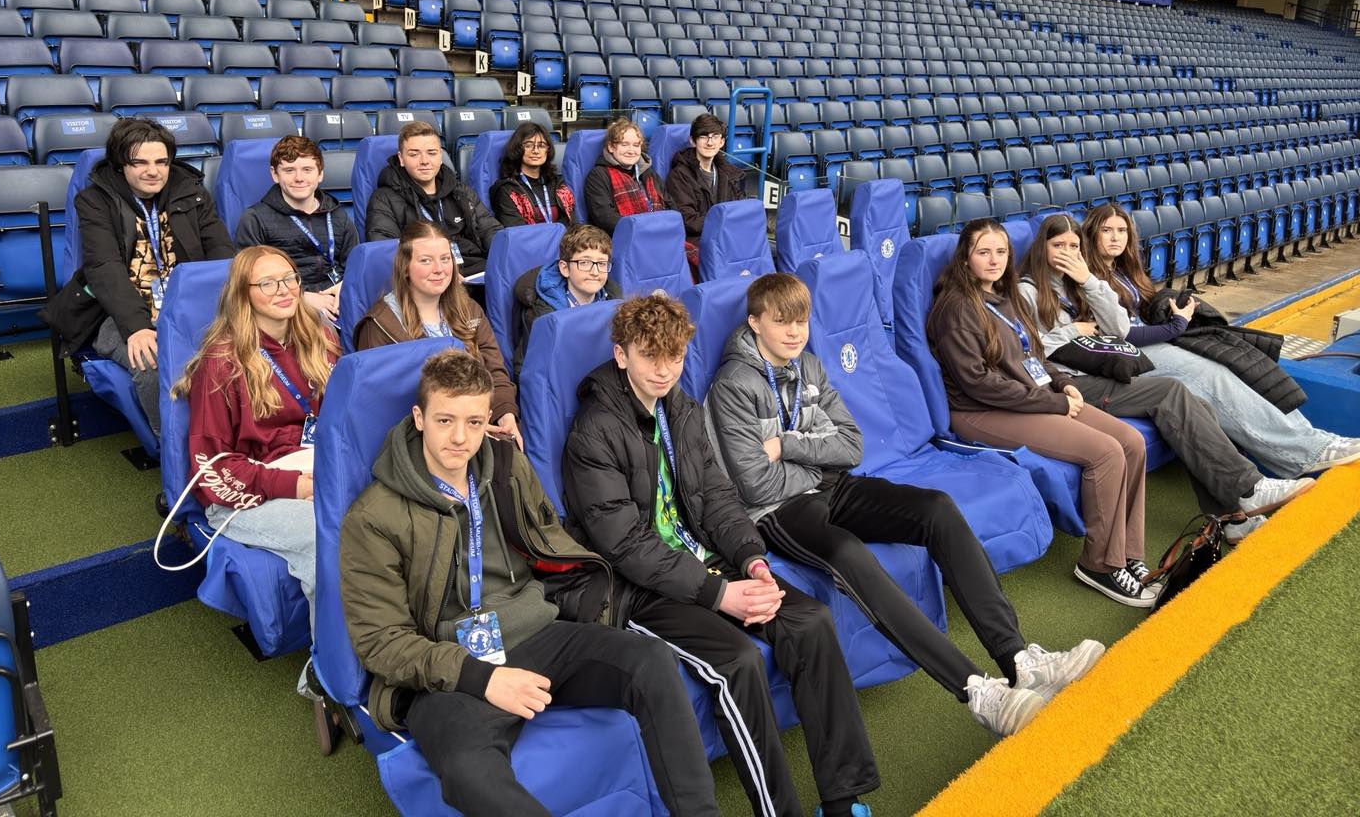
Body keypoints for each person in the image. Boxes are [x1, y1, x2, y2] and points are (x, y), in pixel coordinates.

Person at [706, 272, 1104, 736]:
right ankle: (977, 689)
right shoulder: (733, 384)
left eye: (802, 321)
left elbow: (851, 446)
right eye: (781, 322)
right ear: (755, 323)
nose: (795, 332)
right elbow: (755, 484)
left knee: (936, 507)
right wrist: (816, 451)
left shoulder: (808, 366)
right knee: (849, 553)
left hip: (832, 486)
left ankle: (1017, 658)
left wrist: (788, 443)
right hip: (779, 511)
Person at [340, 349, 720, 817]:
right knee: (468, 770)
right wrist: (483, 679)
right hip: (449, 668)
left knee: (651, 662)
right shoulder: (373, 516)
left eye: (475, 423)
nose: (460, 438)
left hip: (536, 631)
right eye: (445, 421)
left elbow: (549, 543)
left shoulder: (505, 466)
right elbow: (381, 644)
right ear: (419, 418)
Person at [564, 293, 881, 817]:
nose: (666, 371)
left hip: (708, 560)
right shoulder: (594, 430)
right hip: (639, 590)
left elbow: (718, 498)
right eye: (651, 357)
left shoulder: (682, 409)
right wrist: (720, 595)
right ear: (622, 356)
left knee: (810, 621)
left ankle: (842, 801)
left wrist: (752, 560)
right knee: (736, 663)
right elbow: (623, 544)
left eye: (676, 357)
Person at [1018, 215, 1313, 545]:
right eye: (1058, 246)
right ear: (1042, 248)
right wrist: (1074, 329)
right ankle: (1249, 488)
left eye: (1074, 246)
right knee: (1171, 390)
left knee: (1197, 403)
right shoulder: (1026, 290)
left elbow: (1118, 330)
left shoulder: (1082, 284)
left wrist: (1089, 281)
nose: (1067, 253)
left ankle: (1231, 518)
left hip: (1107, 370)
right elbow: (1025, 347)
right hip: (1071, 382)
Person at [926, 219, 1153, 608]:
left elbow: (1031, 354)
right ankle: (1098, 563)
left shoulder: (1005, 296)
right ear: (965, 258)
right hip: (979, 411)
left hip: (1028, 397)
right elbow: (979, 384)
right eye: (983, 252)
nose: (994, 260)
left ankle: (1127, 554)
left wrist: (1062, 382)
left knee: (1131, 442)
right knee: (1105, 452)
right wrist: (1054, 402)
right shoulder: (955, 308)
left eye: (1000, 252)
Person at [1080, 203, 1360, 497]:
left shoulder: (1125, 271)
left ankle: (1311, 439)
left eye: (1122, 230)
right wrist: (1175, 325)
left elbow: (1142, 311)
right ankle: (1306, 452)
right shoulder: (1086, 276)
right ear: (1091, 234)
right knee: (1210, 376)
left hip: (1153, 340)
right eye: (1106, 230)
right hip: (1125, 352)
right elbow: (1117, 332)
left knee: (1235, 362)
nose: (1115, 237)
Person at [174, 245, 339, 615]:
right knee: (328, 537)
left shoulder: (322, 340)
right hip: (247, 492)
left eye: (289, 279)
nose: (283, 290)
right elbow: (211, 469)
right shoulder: (221, 364)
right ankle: (330, 667)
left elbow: (344, 425)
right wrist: (294, 485)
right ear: (242, 294)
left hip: (318, 469)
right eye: (267, 283)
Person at [44, 116, 234, 436]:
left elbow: (221, 254)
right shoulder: (95, 201)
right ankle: (176, 455)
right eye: (140, 162)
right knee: (152, 363)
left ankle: (238, 440)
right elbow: (104, 268)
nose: (153, 171)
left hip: (185, 304)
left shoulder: (192, 193)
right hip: (117, 311)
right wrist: (137, 327)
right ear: (120, 164)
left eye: (162, 161)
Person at [354, 221, 523, 452]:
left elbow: (495, 371)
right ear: (405, 267)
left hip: (478, 424)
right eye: (426, 260)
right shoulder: (380, 325)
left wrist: (505, 414)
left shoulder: (469, 309)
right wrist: (462, 426)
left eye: (445, 259)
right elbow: (382, 408)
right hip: (420, 442)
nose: (439, 269)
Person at [235, 135, 358, 326]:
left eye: (307, 170)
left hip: (339, 298)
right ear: (275, 174)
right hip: (287, 303)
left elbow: (354, 263)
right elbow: (251, 280)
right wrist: (302, 297)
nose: (299, 178)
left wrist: (347, 286)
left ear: (320, 174)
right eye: (289, 170)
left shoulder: (337, 214)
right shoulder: (254, 219)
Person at [365, 122, 501, 279]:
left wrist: (504, 258)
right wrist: (442, 274)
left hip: (476, 272)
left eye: (432, 153)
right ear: (401, 159)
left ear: (441, 157)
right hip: (429, 278)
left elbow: (489, 229)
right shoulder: (383, 199)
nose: (424, 161)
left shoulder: (460, 190)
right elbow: (387, 254)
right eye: (414, 154)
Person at [510, 223, 622, 381]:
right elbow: (527, 371)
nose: (595, 272)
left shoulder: (614, 301)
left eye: (602, 264)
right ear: (564, 268)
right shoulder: (544, 314)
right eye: (584, 263)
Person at [665, 113, 747, 246]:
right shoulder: (679, 176)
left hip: (726, 236)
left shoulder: (730, 173)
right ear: (692, 140)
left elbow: (740, 209)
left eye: (715, 137)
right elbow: (688, 221)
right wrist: (724, 222)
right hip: (698, 241)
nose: (710, 143)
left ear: (722, 142)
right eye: (703, 137)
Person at [582, 117, 670, 238]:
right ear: (611, 147)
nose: (631, 151)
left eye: (636, 145)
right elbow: (605, 217)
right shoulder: (598, 175)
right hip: (623, 238)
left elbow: (670, 205)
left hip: (659, 234)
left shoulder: (649, 172)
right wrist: (643, 230)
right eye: (624, 144)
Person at [490, 122, 576, 227]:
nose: (535, 151)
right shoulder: (507, 190)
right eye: (528, 145)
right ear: (518, 149)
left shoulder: (558, 184)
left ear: (547, 150)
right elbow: (517, 233)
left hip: (562, 241)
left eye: (541, 145)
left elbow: (571, 222)